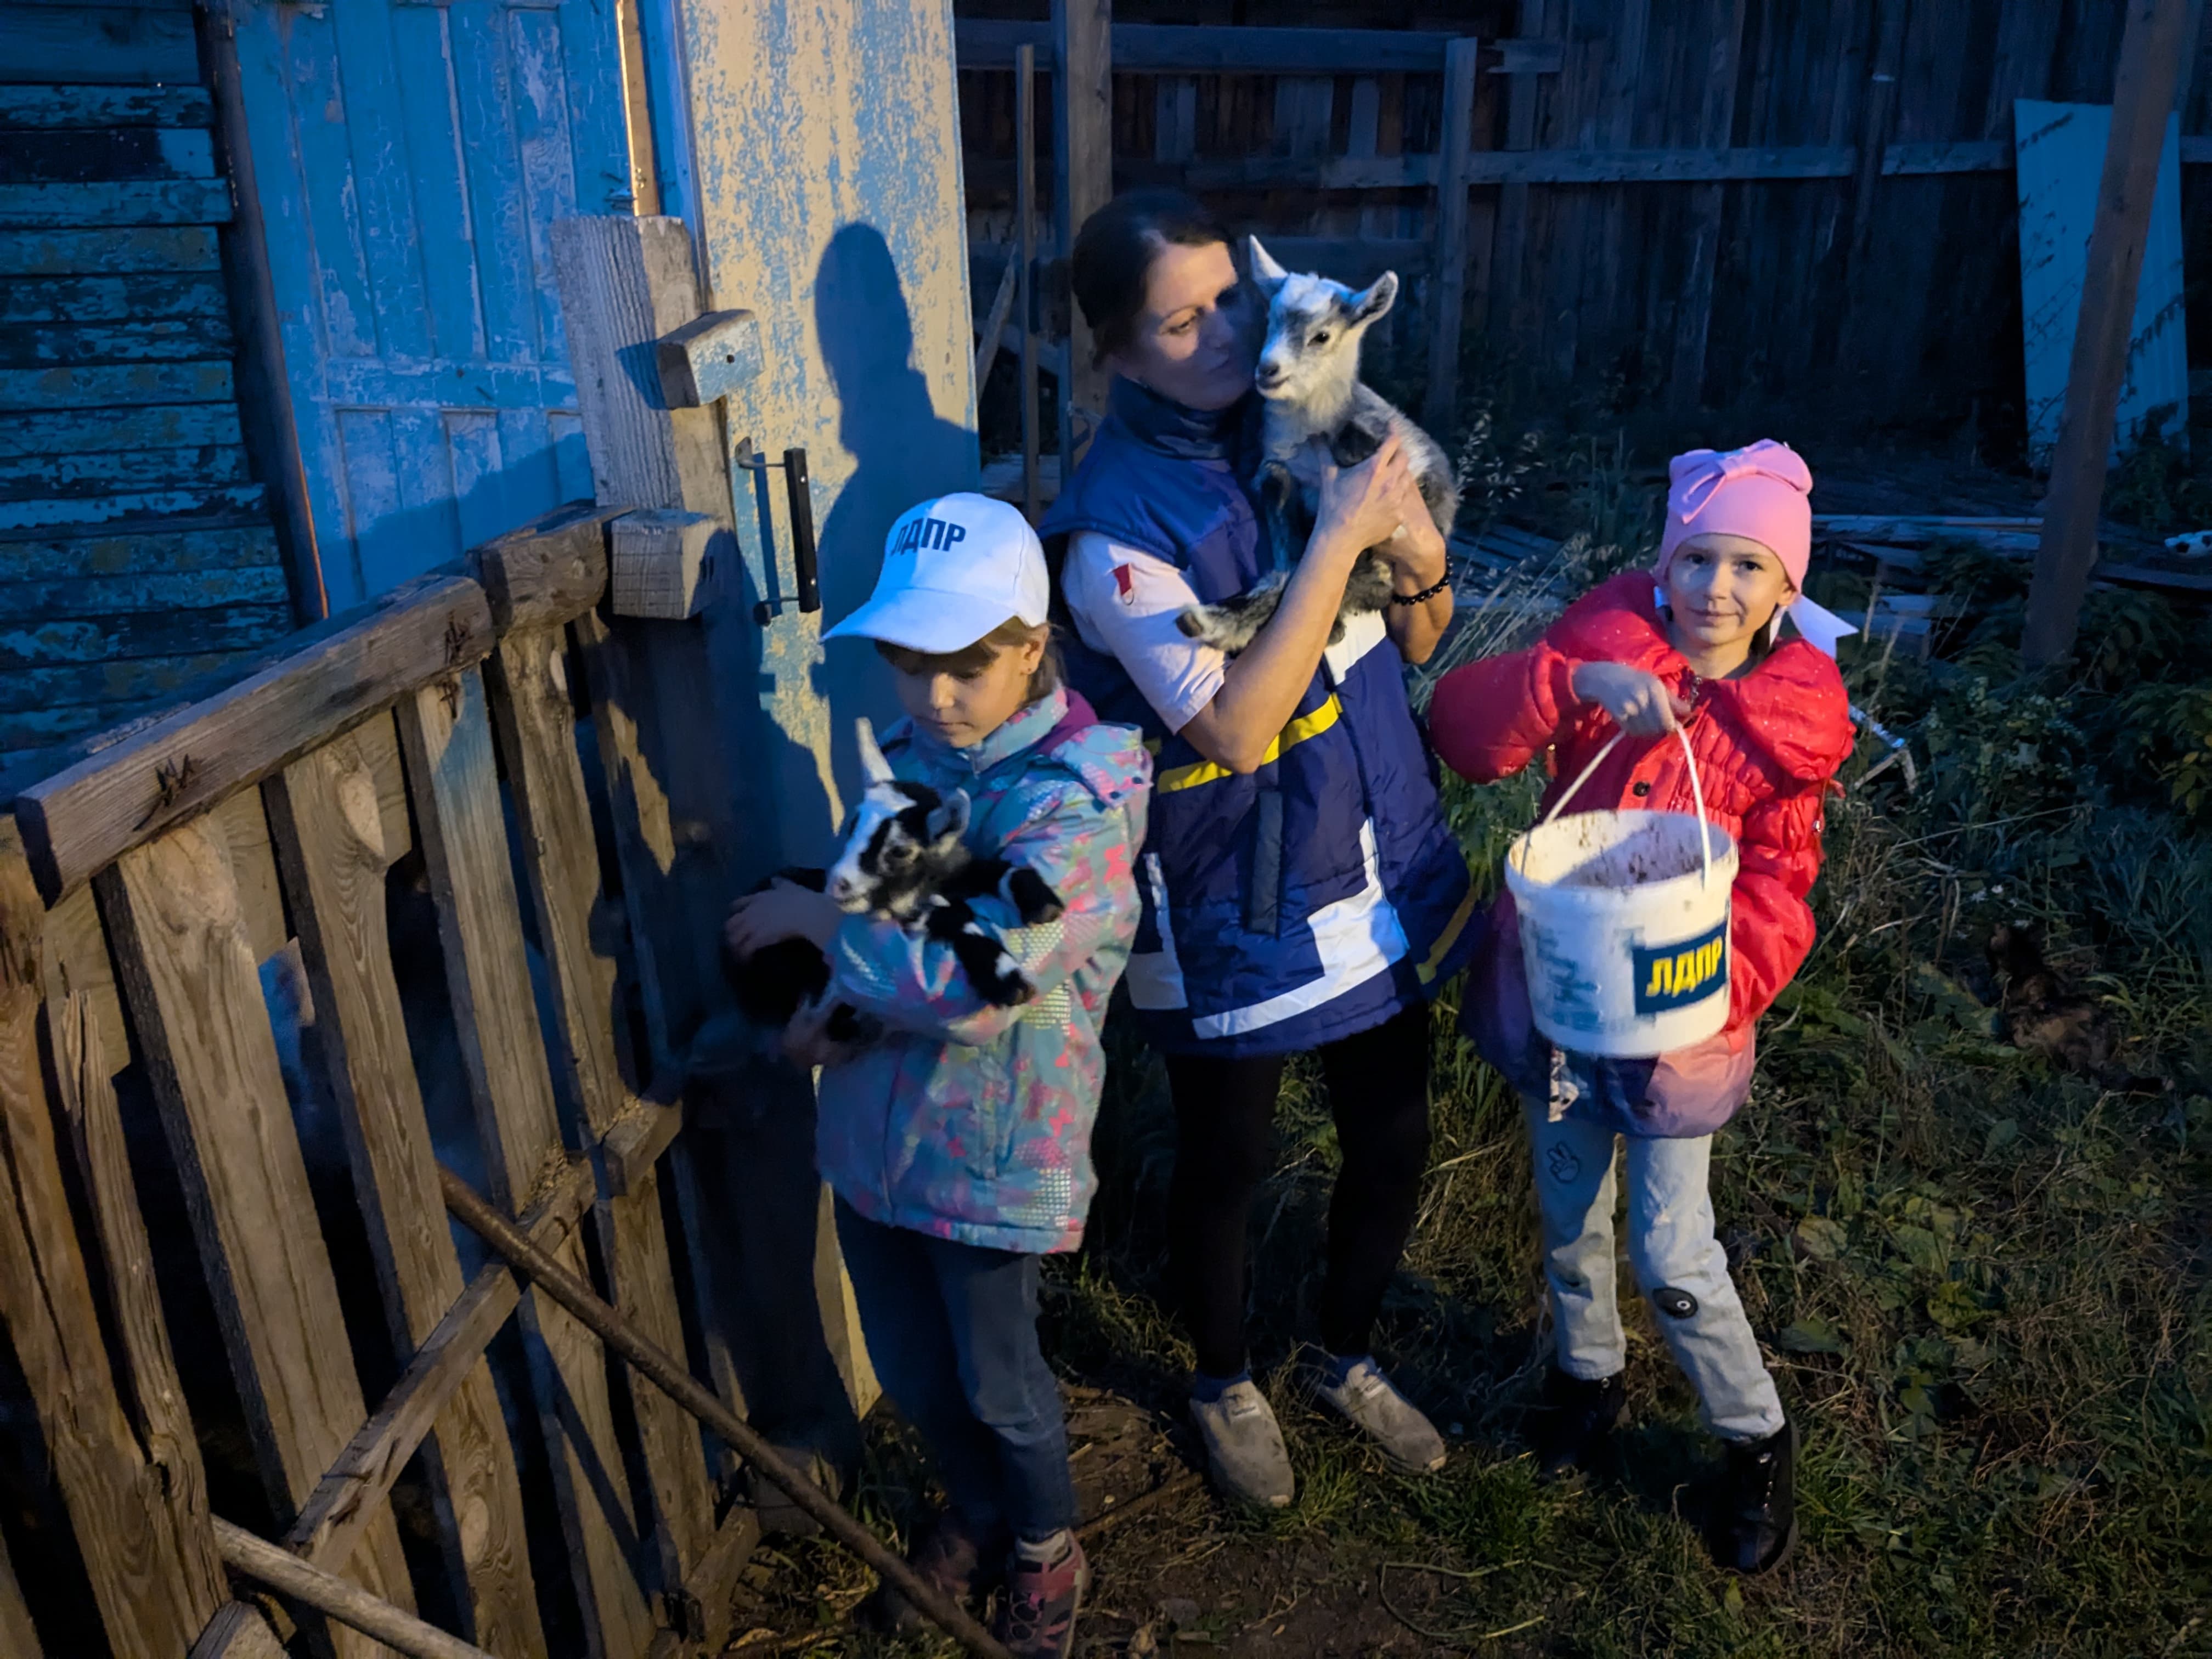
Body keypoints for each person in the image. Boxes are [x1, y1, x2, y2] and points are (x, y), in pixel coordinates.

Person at [1037, 192, 1481, 1509]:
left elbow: (1423, 634)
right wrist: (1339, 538)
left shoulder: (1312, 415)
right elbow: (1234, 729)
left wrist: (1415, 544)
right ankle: (1223, 1378)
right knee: (1227, 1156)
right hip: (1235, 883)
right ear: (1115, 353)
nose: (1233, 332)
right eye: (1183, 322)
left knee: (1392, 1133)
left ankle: (1345, 1354)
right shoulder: (1115, 527)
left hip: (1376, 850)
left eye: (1230, 294)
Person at [724, 493, 1149, 1657]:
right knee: (913, 1371)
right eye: (911, 664)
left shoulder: (1075, 805)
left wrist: (824, 919)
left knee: (1001, 1383)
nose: (933, 694)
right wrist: (820, 1027)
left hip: (994, 1159)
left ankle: (1045, 1548)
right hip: (878, 1142)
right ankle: (977, 1510)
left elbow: (981, 980)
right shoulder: (911, 771)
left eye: (966, 666)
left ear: (1033, 646)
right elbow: (872, 939)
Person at [1427, 441, 1857, 1575]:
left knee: (1672, 1247)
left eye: (1749, 565)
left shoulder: (1786, 726)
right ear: (1664, 563)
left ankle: (1754, 1438)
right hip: (1565, 998)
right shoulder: (1603, 649)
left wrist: (1712, 986)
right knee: (1569, 1213)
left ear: (1787, 587)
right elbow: (1464, 737)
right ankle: (1588, 1377)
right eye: (1697, 557)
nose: (1717, 586)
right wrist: (1567, 684)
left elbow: (1780, 888)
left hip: (1679, 1030)